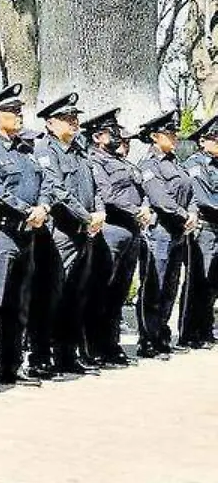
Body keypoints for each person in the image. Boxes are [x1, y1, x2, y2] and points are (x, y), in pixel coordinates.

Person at [0, 84, 48, 386]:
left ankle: (10, 365)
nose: (18, 116)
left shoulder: (26, 151)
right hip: (1, 235)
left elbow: (45, 182)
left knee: (19, 305)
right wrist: (26, 210)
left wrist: (42, 206)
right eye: (12, 112)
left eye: (19, 111)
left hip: (27, 235)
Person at [34, 93, 105, 376]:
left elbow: (96, 188)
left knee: (76, 295)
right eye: (67, 118)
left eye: (75, 118)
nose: (74, 123)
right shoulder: (45, 151)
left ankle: (67, 353)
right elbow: (57, 191)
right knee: (51, 296)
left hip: (84, 232)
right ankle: (41, 355)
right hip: (60, 233)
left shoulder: (80, 151)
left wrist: (98, 214)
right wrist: (88, 218)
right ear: (51, 123)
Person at [82, 108, 149, 367]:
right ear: (99, 136)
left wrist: (143, 208)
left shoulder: (121, 161)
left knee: (118, 292)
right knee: (100, 289)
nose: (119, 136)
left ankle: (110, 344)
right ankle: (92, 345)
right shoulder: (95, 161)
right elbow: (107, 195)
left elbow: (139, 187)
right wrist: (136, 210)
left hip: (131, 231)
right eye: (113, 132)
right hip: (111, 230)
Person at [137, 110, 198, 357]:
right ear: (155, 136)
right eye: (169, 133)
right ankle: (147, 339)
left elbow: (191, 192)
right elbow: (160, 200)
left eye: (174, 133)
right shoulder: (149, 165)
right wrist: (186, 215)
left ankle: (161, 334)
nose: (174, 137)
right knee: (154, 285)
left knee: (170, 286)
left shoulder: (176, 162)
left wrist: (192, 213)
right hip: (159, 232)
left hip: (177, 232)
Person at [182, 117, 218, 348]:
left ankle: (205, 330)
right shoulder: (195, 164)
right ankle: (190, 332)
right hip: (205, 229)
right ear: (204, 140)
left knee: (214, 282)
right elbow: (203, 198)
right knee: (199, 281)